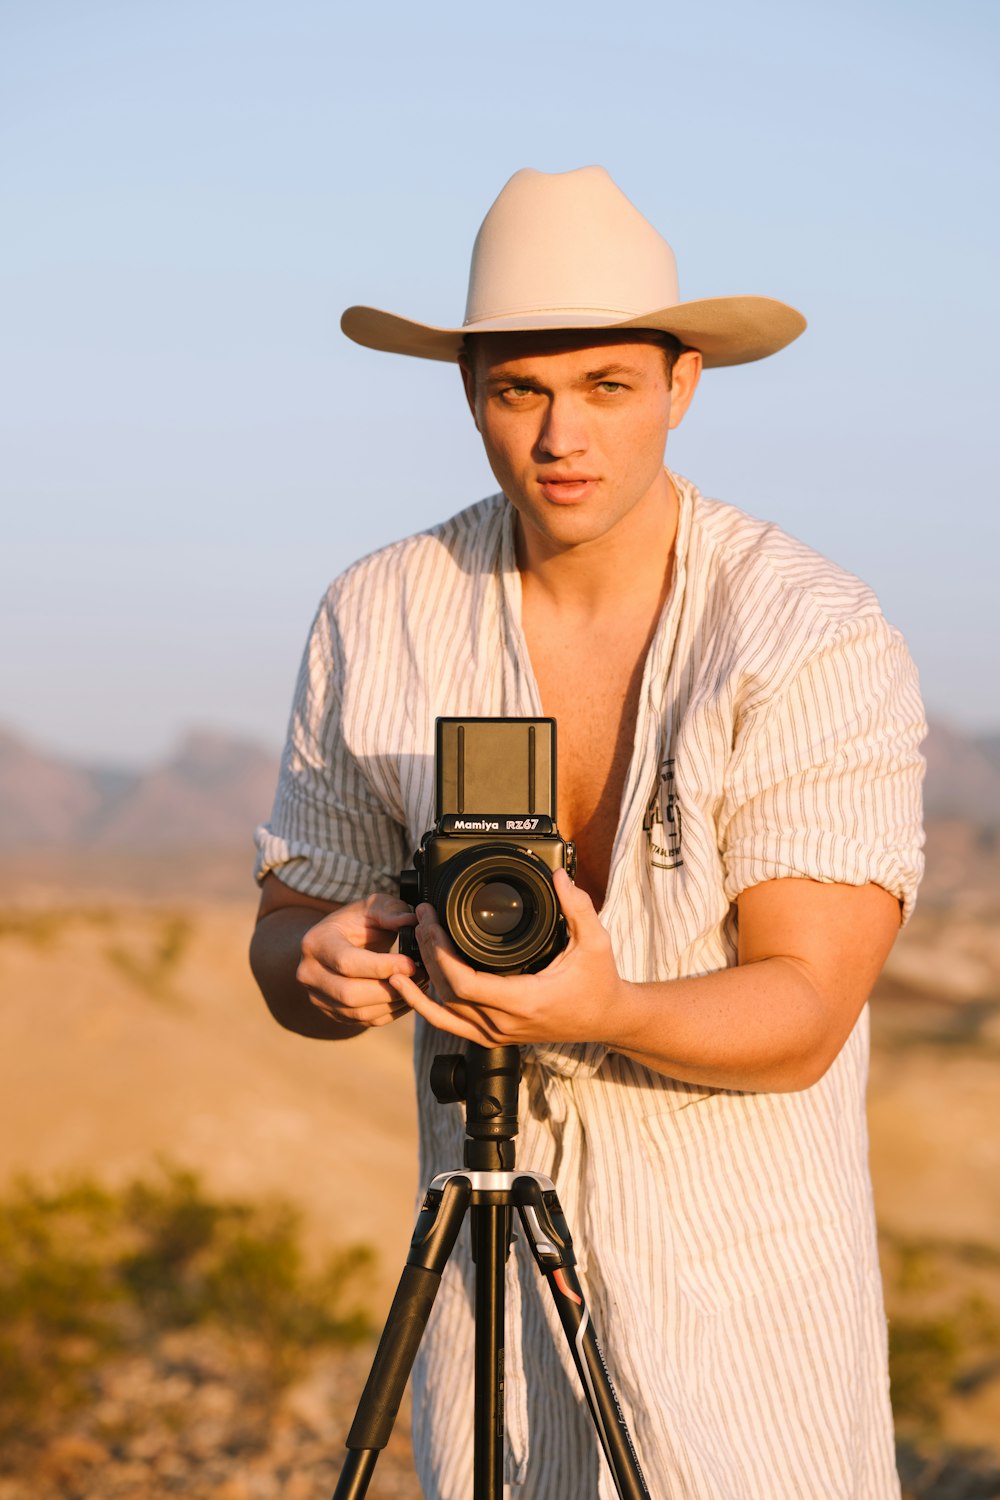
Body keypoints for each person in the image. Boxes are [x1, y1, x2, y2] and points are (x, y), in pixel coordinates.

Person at [249, 166, 925, 1499]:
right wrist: (320, 968)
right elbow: (287, 932)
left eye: (608, 385)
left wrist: (603, 1005)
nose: (563, 435)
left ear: (682, 385)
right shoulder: (377, 614)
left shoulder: (805, 631)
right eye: (520, 389)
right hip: (483, 1287)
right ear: (469, 393)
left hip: (746, 1304)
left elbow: (804, 1008)